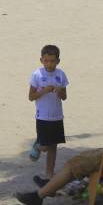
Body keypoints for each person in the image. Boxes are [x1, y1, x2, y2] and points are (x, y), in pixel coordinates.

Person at [27, 45, 68, 181]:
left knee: (53, 146)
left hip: (57, 116)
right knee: (45, 147)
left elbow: (64, 97)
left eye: (52, 61)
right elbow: (31, 96)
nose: (49, 64)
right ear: (41, 60)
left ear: (58, 61)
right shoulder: (37, 75)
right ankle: (38, 145)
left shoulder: (61, 74)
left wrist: (60, 91)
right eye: (46, 61)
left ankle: (49, 174)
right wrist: (44, 91)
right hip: (43, 116)